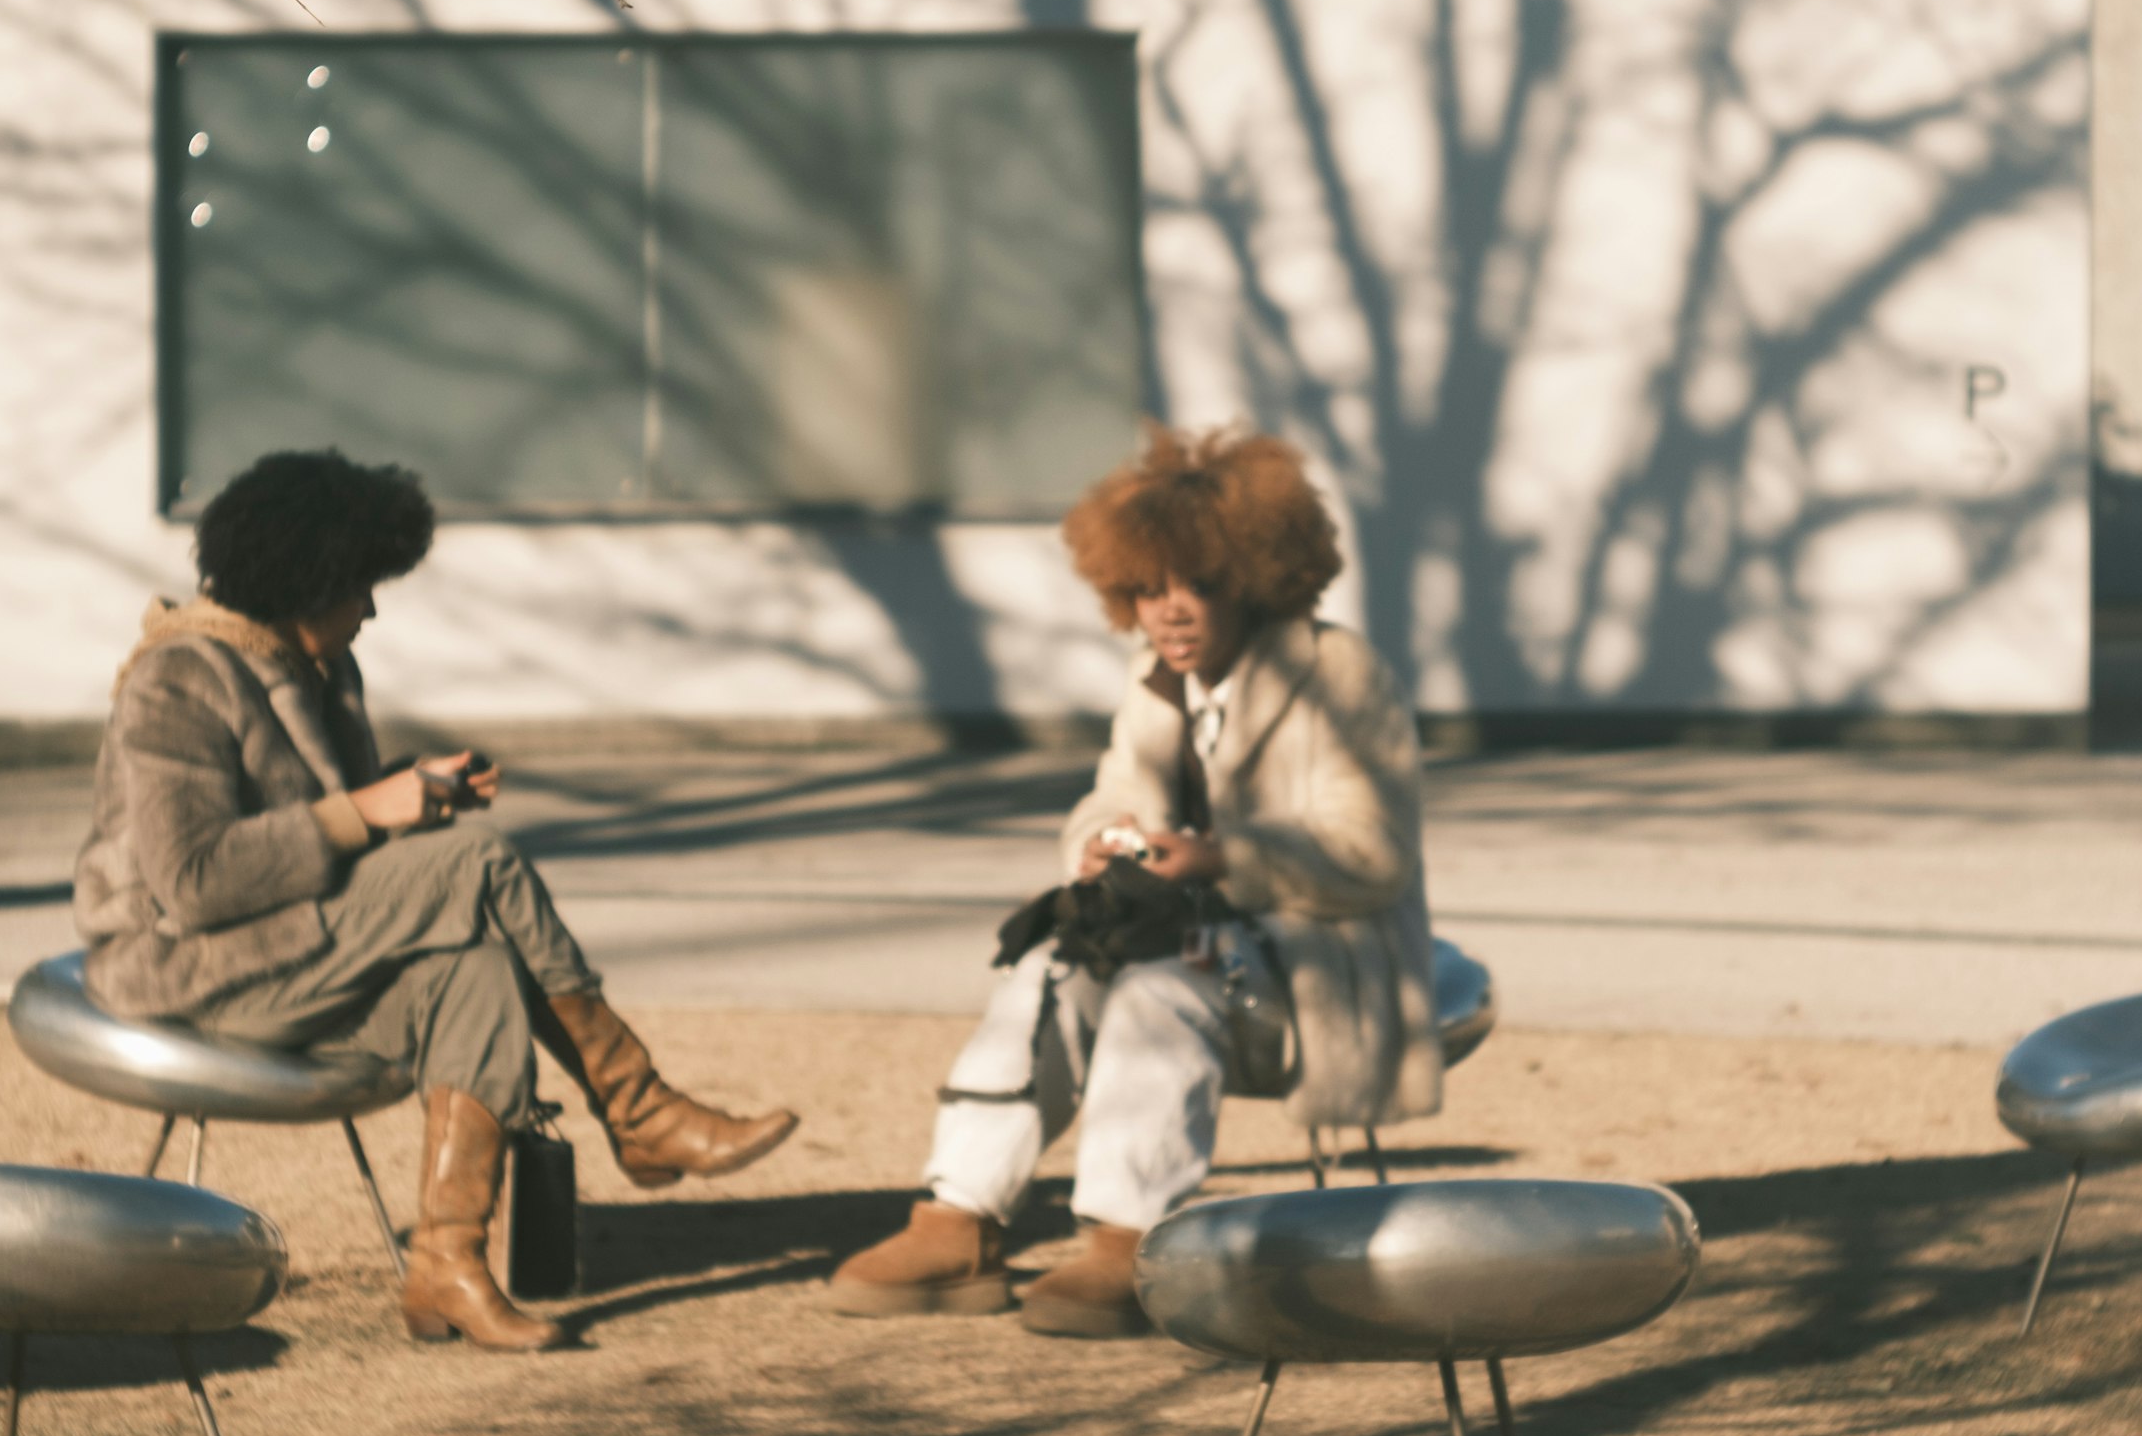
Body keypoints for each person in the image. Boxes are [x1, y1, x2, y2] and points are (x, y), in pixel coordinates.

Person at [73, 449, 795, 1352]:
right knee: (478, 862)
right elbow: (195, 881)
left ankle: (447, 1265)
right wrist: (369, 810)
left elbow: (330, 830)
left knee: (479, 969)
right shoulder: (177, 678)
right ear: (309, 580)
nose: (371, 608)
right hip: (192, 966)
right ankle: (637, 1108)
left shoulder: (321, 669)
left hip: (298, 948)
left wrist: (412, 795)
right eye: (362, 586)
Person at [826, 426, 1440, 1336]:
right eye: (1148, 589)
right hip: (1202, 952)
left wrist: (1225, 857)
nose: (1170, 612)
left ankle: (1131, 1240)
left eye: (1198, 584)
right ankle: (958, 1219)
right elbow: (1111, 791)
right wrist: (1103, 838)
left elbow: (1373, 851)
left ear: (1260, 576)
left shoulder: (1336, 672)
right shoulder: (1155, 682)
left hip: (1318, 974)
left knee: (1164, 986)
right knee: (1045, 970)